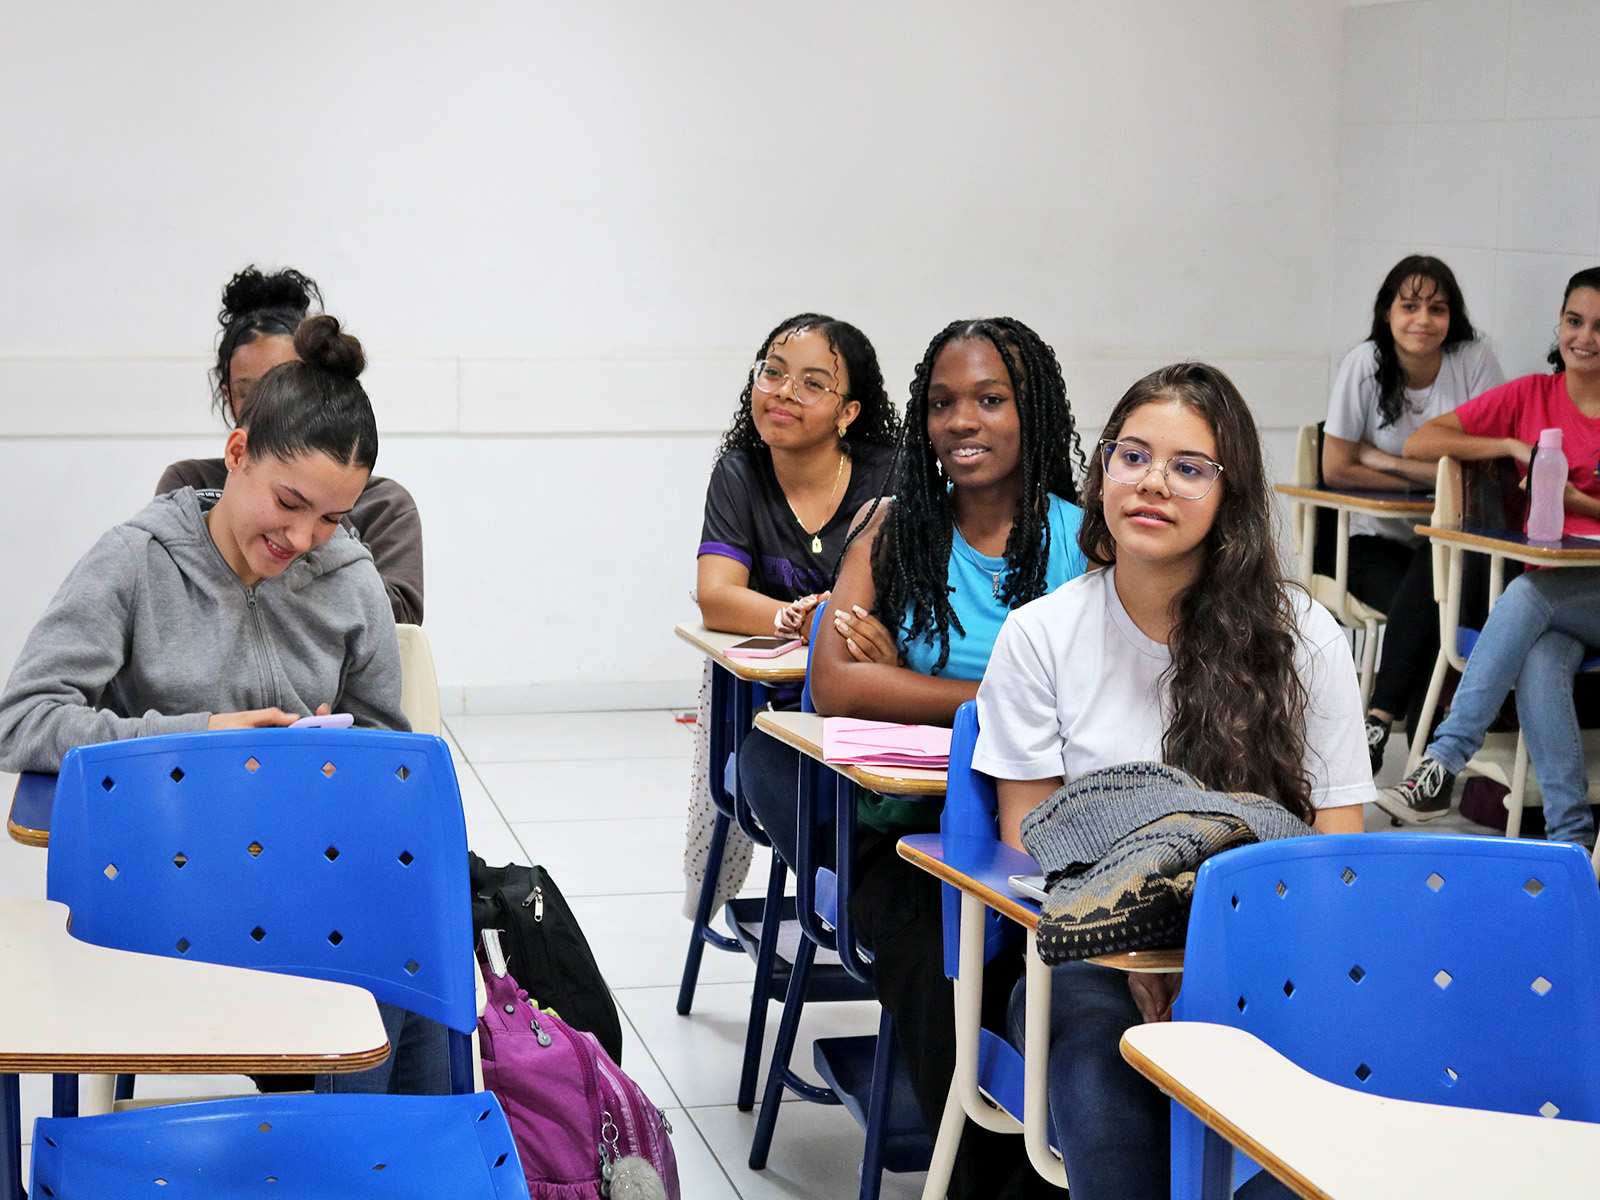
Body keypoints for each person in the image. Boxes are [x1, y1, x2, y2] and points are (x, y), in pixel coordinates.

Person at [0, 315, 447, 1096]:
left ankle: (370, 1140)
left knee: (417, 941)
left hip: (307, 876)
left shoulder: (352, 582)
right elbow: (23, 718)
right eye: (289, 501)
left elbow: (386, 756)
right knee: (367, 990)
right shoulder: (137, 560)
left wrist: (336, 765)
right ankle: (334, 1128)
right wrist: (200, 739)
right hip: (165, 885)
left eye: (332, 517)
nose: (303, 537)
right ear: (238, 453)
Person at [974, 362, 1369, 1200]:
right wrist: (1136, 950)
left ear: (1231, 496)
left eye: (1189, 467)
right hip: (1088, 956)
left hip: (1268, 949)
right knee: (1108, 1084)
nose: (1153, 482)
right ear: (1102, 471)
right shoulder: (1041, 635)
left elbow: (1336, 850)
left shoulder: (1304, 638)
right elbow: (1031, 845)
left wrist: (1208, 962)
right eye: (1133, 455)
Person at [742, 317, 1089, 1199]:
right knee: (939, 963)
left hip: (1045, 832)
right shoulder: (895, 528)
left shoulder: (1083, 543)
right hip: (905, 829)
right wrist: (999, 702)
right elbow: (835, 684)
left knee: (1038, 974)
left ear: (1034, 412)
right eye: (941, 403)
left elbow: (1089, 703)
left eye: (990, 400)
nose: (961, 421)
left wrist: (911, 682)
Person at [682, 314, 899, 917]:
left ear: (848, 412)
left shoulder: (891, 476)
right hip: (771, 696)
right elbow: (716, 595)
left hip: (868, 687)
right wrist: (798, 619)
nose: (783, 393)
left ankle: (859, 899)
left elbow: (903, 603)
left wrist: (833, 624)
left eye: (811, 383)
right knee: (729, 720)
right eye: (773, 373)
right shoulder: (740, 473)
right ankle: (830, 898)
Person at [1377, 266, 1600, 847]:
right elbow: (1421, 441)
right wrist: (1505, 444)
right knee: (1541, 656)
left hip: (1572, 594)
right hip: (1554, 602)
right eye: (1574, 321)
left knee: (1526, 595)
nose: (1584, 337)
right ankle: (1572, 840)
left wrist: (1576, 500)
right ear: (1559, 324)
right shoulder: (1531, 395)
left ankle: (1443, 760)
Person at [157, 266, 426, 625]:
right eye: (248, 392)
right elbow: (172, 599)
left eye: (330, 516)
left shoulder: (385, 506)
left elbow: (398, 626)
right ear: (228, 397)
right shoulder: (188, 486)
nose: (266, 405)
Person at [1322, 256, 1504, 769]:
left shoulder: (1474, 360)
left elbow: (1487, 466)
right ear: (1388, 312)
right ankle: (1422, 755)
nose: (1423, 320)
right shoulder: (1364, 363)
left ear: (1453, 317)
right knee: (1434, 604)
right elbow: (1335, 468)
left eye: (1437, 308)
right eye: (1410, 306)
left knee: (1436, 572)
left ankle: (1379, 723)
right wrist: (1433, 475)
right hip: (1368, 541)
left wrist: (1386, 461)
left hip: (1446, 542)